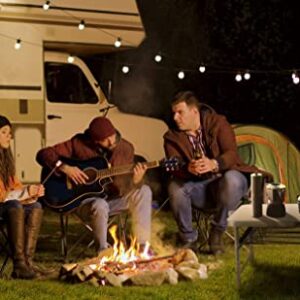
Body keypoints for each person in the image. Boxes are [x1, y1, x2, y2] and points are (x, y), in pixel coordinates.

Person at [163, 91, 272, 254]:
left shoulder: (218, 123)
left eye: (180, 112)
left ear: (194, 112)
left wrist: (214, 163)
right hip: (200, 188)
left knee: (232, 178)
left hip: (228, 182)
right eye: (174, 113)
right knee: (174, 186)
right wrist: (188, 168)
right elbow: (174, 166)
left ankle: (217, 231)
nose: (175, 118)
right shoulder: (172, 137)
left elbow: (231, 153)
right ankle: (188, 239)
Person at [36, 117, 152, 255]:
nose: (111, 141)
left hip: (114, 199)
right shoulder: (78, 143)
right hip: (84, 202)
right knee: (100, 204)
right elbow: (43, 154)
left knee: (144, 191)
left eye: (112, 135)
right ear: (95, 140)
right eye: (105, 139)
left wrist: (136, 181)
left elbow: (124, 187)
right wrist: (65, 168)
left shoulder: (125, 148)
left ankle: (143, 246)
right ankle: (104, 252)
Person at [0, 115, 45, 279]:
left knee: (36, 207)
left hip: (7, 205)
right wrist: (25, 193)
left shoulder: (5, 159)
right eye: (4, 132)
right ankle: (19, 264)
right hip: (4, 205)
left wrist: (31, 194)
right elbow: (3, 196)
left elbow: (16, 188)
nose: (9, 137)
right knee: (15, 206)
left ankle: (27, 263)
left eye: (9, 133)